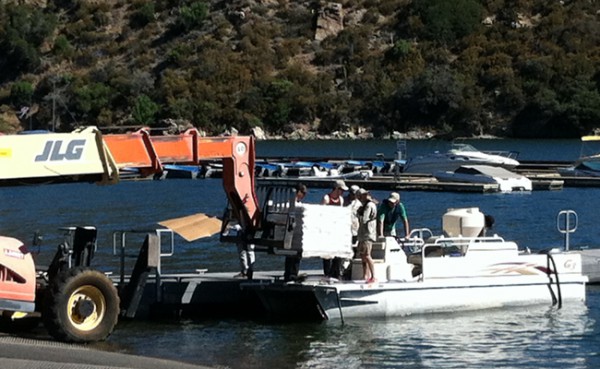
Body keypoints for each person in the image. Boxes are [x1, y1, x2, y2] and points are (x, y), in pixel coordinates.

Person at [321, 179, 348, 278]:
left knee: (338, 252)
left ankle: (335, 272)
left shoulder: (341, 199)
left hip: (337, 229)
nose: (343, 192)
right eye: (342, 190)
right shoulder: (326, 198)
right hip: (327, 229)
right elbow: (322, 214)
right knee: (327, 253)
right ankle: (327, 273)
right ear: (336, 188)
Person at [284, 183, 307, 282]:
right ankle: (291, 274)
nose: (304, 195)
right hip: (292, 231)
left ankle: (290, 273)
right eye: (303, 193)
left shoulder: (296, 203)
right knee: (294, 254)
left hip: (296, 232)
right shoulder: (293, 204)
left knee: (294, 255)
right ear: (298, 192)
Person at [357, 188, 378, 283]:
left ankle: (373, 276)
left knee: (367, 255)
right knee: (362, 255)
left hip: (367, 234)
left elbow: (364, 219)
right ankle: (365, 275)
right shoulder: (365, 205)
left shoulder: (369, 205)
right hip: (363, 234)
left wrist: (358, 214)